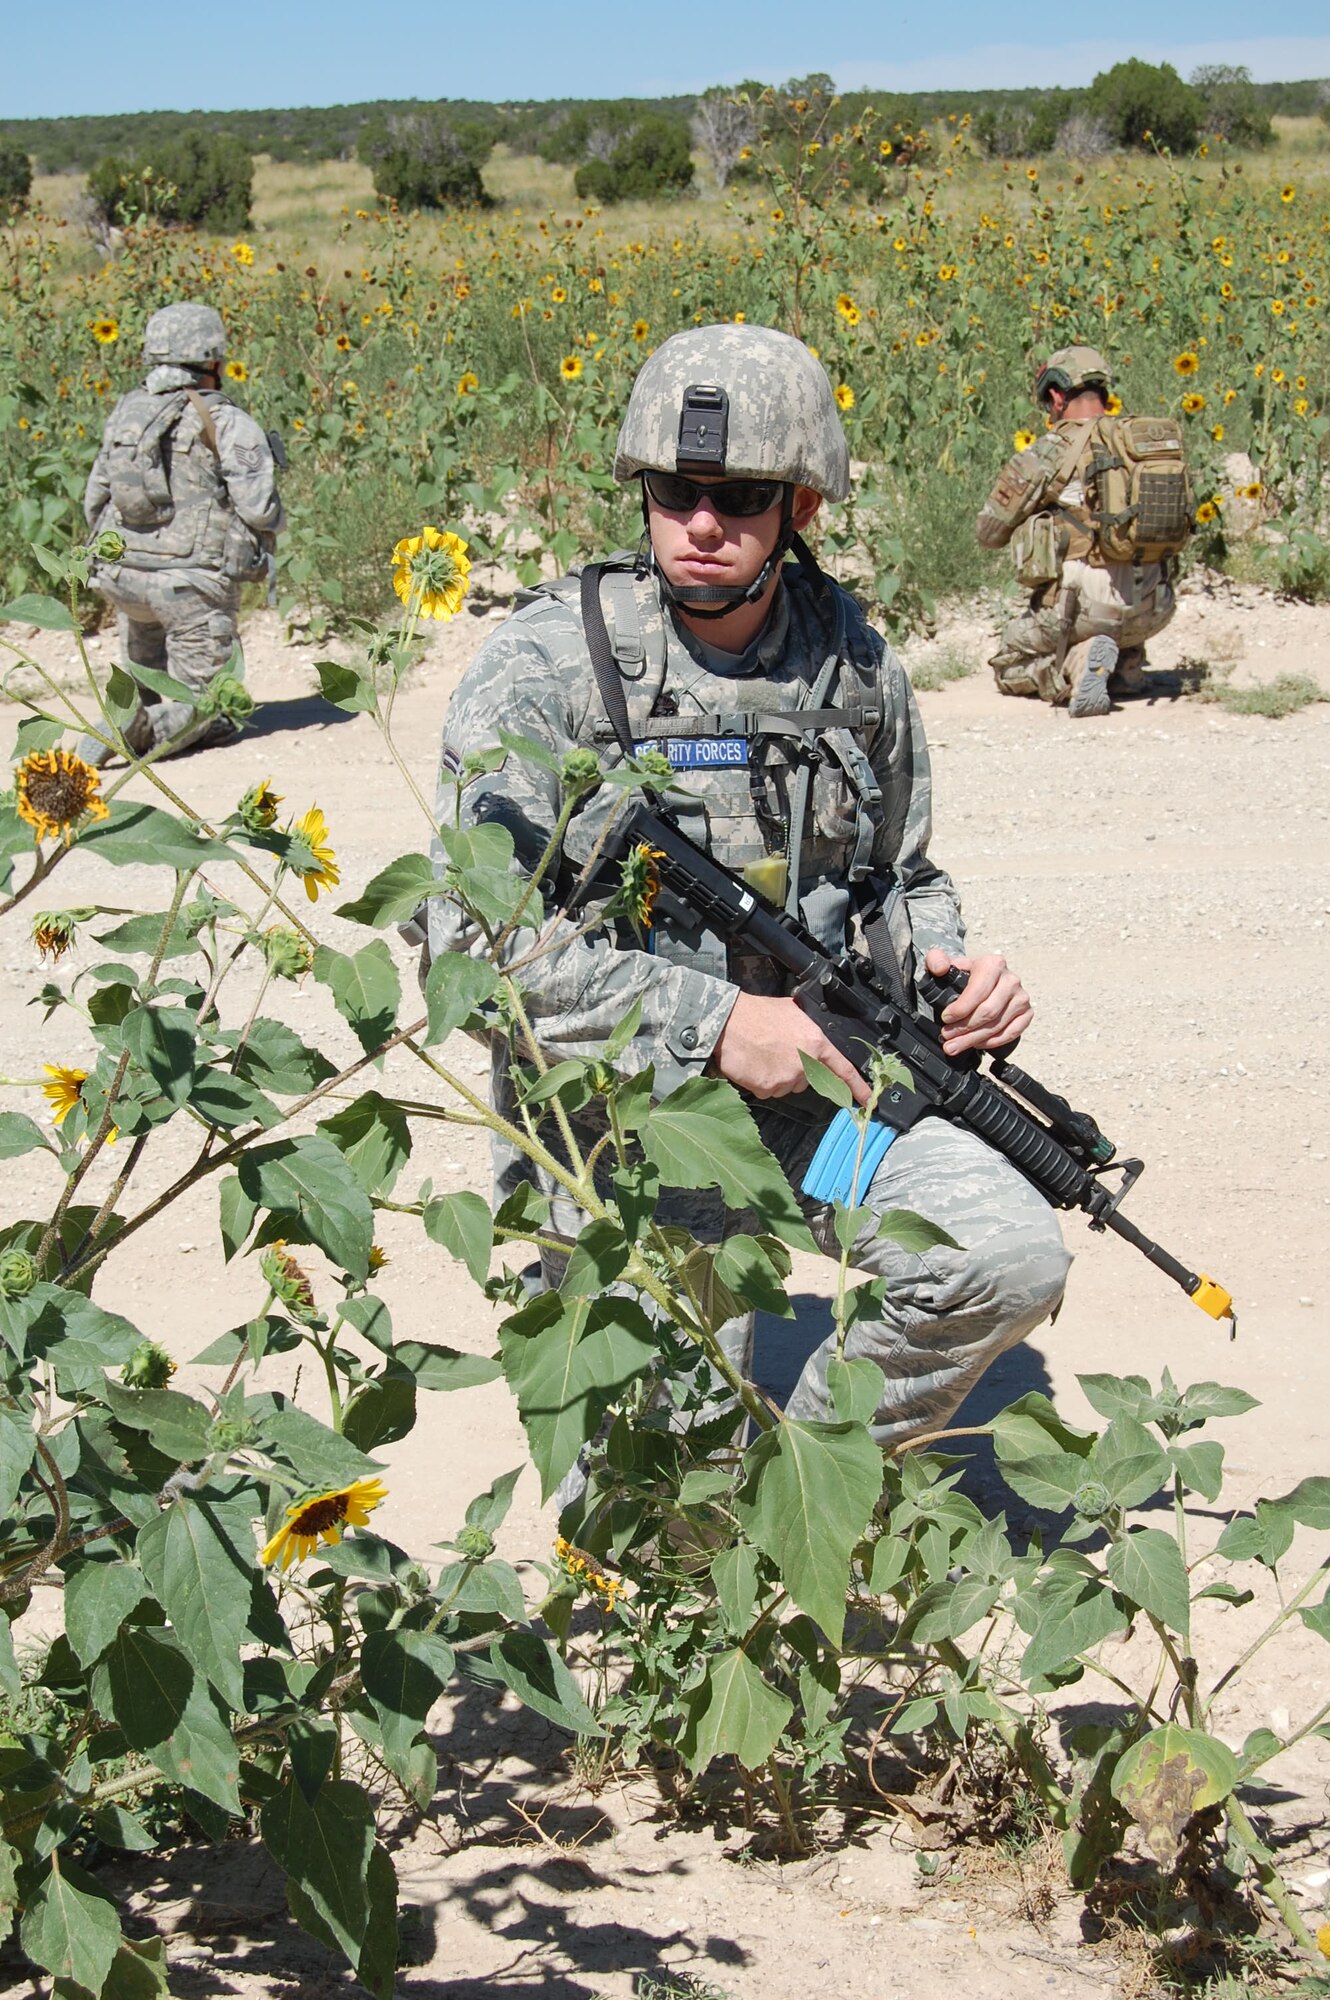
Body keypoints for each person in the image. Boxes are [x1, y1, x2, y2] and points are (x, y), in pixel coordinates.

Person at [430, 324, 1069, 1450]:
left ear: (802, 508)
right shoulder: (544, 671)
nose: (704, 522)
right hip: (622, 1118)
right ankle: (716, 1512)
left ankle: (808, 1483)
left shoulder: (854, 662)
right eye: (677, 491)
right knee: (651, 1506)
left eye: (741, 494)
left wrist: (945, 960)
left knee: (997, 1256)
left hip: (815, 1108)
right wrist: (716, 1021)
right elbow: (471, 957)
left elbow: (899, 871)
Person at [80, 301, 283, 762]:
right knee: (212, 709)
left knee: (145, 683)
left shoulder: (126, 414)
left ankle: (133, 711)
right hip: (192, 588)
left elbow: (95, 498)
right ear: (213, 360)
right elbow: (258, 507)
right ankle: (138, 727)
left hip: (124, 581)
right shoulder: (225, 420)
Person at [977, 345, 1180, 718]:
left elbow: (989, 532)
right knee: (1120, 626)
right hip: (1156, 607)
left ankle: (1070, 667)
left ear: (1056, 396)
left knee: (1007, 661)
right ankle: (1126, 668)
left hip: (1081, 611)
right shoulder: (1141, 445)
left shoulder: (1051, 450)